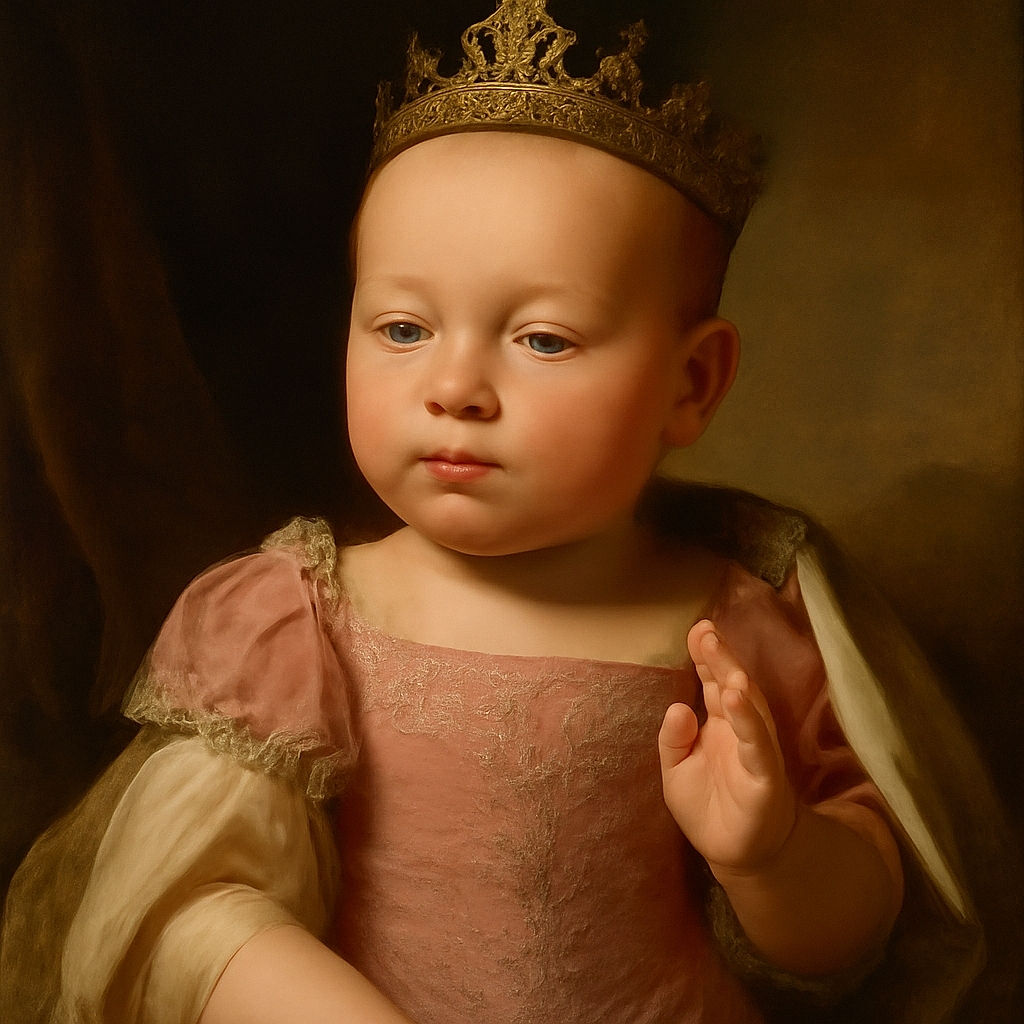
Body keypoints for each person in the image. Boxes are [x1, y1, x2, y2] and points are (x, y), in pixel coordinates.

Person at [0, 2, 1006, 1022]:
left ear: (691, 384)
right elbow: (188, 911)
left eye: (543, 340)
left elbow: (859, 938)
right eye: (402, 327)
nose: (456, 387)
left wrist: (774, 854)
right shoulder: (296, 620)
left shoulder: (731, 623)